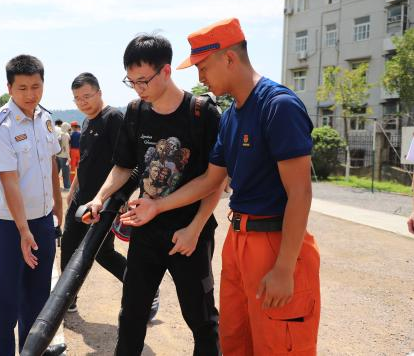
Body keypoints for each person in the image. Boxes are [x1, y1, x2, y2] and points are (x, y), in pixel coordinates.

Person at [122, 18, 321, 355]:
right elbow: (210, 180)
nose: (200, 78)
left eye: (203, 67)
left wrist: (285, 267)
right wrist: (157, 205)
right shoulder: (230, 116)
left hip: (275, 239)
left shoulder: (278, 106)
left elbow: (300, 193)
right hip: (239, 239)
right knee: (235, 340)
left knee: (277, 343)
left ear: (229, 58)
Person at [87, 34, 222, 355]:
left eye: (143, 80)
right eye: (131, 81)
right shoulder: (136, 112)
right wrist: (100, 197)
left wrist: (195, 228)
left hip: (188, 234)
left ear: (166, 71)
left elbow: (215, 180)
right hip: (145, 230)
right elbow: (123, 166)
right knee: (132, 315)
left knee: (201, 319)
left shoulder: (202, 113)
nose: (138, 88)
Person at [0, 54, 65, 355]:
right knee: (5, 298)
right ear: (9, 88)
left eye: (36, 86)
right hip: (10, 225)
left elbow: (52, 166)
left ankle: (33, 350)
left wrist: (58, 208)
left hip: (42, 220)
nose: (30, 94)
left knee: (38, 295)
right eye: (22, 88)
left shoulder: (44, 118)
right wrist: (22, 230)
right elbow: (9, 181)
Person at [61, 72, 161, 317]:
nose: (82, 102)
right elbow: (85, 162)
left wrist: (119, 199)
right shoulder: (86, 122)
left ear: (99, 93)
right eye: (77, 98)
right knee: (68, 246)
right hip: (82, 199)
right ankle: (67, 299)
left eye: (87, 96)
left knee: (103, 253)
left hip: (103, 202)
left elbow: (128, 163)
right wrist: (72, 190)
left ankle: (147, 290)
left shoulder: (113, 118)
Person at [56, 122, 71, 190]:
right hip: (64, 156)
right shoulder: (66, 135)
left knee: (56, 171)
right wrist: (68, 157)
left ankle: (54, 186)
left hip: (58, 155)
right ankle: (67, 186)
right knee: (66, 172)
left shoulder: (59, 134)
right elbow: (67, 146)